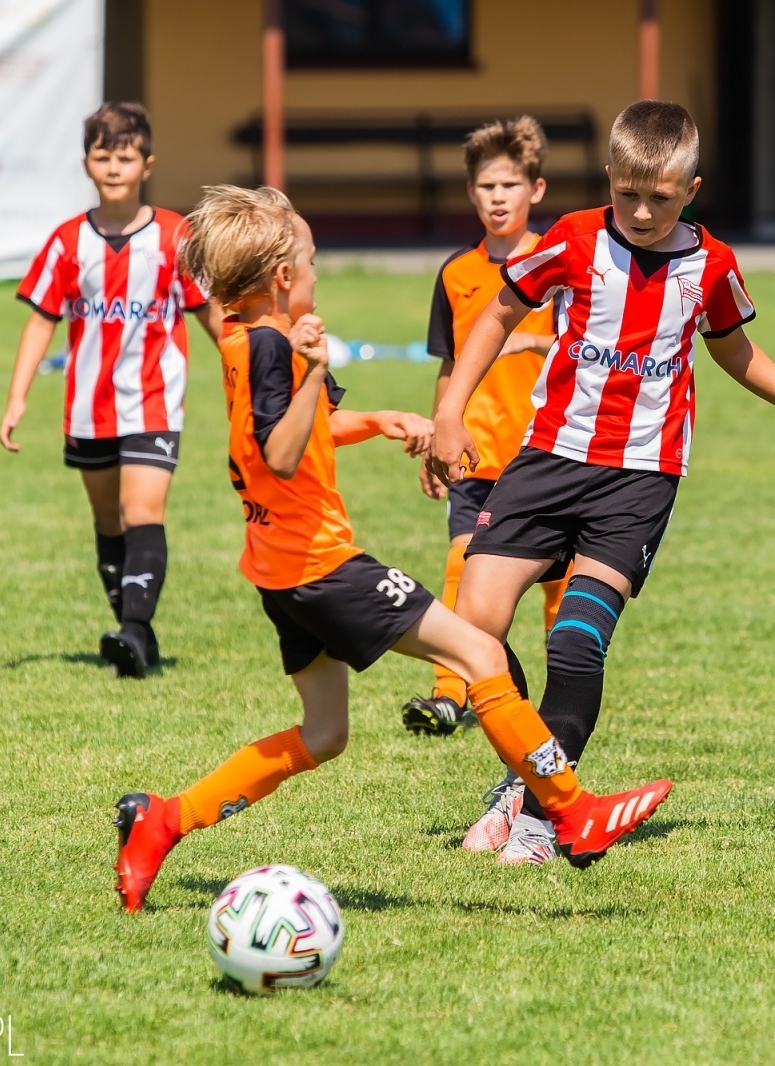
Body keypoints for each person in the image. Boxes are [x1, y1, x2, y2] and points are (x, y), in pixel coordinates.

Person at [109, 185, 673, 911]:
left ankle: (164, 821)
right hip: (322, 566)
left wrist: (377, 420)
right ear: (283, 277)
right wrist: (315, 367)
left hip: (278, 570)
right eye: (310, 262)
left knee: (324, 733)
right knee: (481, 654)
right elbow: (281, 454)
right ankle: (569, 809)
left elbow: (296, 433)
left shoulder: (241, 335)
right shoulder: (279, 349)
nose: (317, 275)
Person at [427, 101, 775, 865]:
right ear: (609, 177)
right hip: (547, 461)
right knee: (477, 625)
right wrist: (448, 410)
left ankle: (541, 814)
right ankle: (528, 774)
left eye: (660, 198)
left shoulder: (713, 267)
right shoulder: (571, 239)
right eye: (627, 193)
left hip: (638, 481)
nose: (640, 211)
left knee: (575, 643)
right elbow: (500, 313)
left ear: (691, 189)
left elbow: (736, 352)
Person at [0, 103, 215, 677]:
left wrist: (249, 373)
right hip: (87, 408)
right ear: (87, 164)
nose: (114, 166)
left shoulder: (177, 235)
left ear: (147, 163)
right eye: (103, 156)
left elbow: (209, 314)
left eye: (126, 156)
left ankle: (136, 633)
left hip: (153, 399)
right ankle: (132, 631)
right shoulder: (69, 241)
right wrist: (18, 395)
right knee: (107, 522)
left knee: (141, 508)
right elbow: (41, 319)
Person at [399, 116, 567, 759]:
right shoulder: (456, 273)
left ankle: (558, 698)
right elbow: (449, 363)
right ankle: (450, 691)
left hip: (548, 453)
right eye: (486, 185)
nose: (498, 196)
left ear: (537, 190)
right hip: (475, 455)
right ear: (471, 194)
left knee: (560, 582)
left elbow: (589, 345)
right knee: (460, 568)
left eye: (510, 184)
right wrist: (440, 428)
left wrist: (532, 337)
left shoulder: (558, 262)